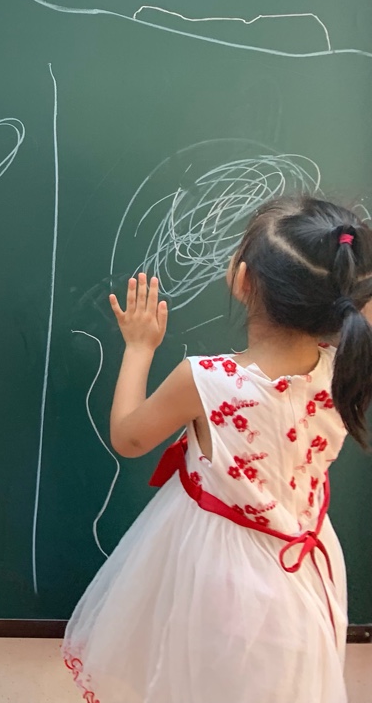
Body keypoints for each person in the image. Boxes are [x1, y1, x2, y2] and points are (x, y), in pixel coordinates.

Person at [63, 197, 372, 703]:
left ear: (244, 280)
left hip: (226, 579)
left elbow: (129, 437)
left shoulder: (209, 380)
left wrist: (139, 348)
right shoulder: (347, 368)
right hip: (305, 568)